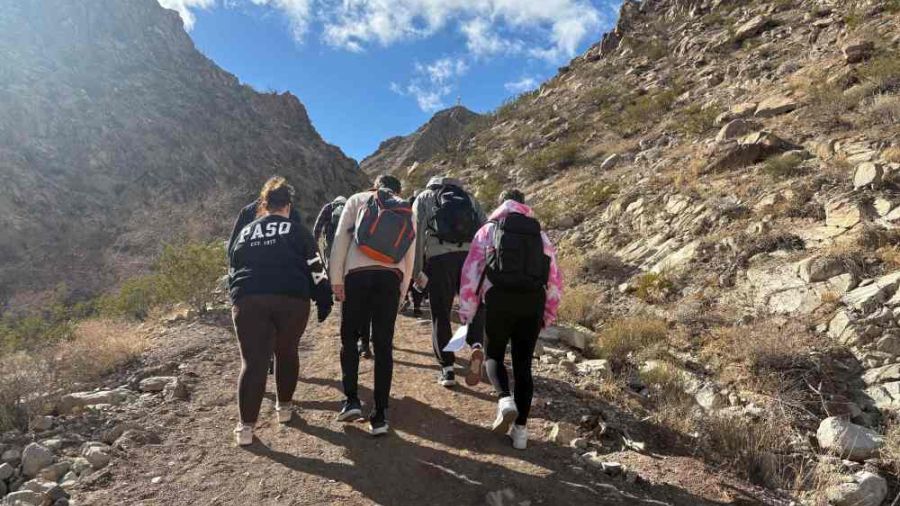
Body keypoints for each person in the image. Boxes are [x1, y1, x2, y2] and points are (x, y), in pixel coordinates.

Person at [229, 177, 334, 446]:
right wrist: (324, 300)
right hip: (292, 299)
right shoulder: (297, 230)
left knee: (252, 363)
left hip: (249, 298)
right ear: (288, 205)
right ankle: (284, 409)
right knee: (287, 353)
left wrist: (236, 298)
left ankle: (245, 429)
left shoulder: (246, 230)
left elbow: (233, 267)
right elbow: (315, 267)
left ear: (264, 204)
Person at [458, 189, 563, 450]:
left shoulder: (488, 231)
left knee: (493, 354)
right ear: (524, 206)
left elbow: (471, 272)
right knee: (523, 365)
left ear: (500, 204)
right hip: (532, 302)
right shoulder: (539, 234)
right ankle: (521, 433)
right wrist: (549, 312)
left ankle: (504, 400)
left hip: (498, 300)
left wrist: (467, 311)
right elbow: (554, 277)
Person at [329, 174, 416, 436]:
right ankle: (379, 415)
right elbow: (410, 252)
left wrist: (336, 279)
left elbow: (340, 239)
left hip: (356, 276)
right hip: (390, 278)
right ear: (397, 189)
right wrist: (403, 290)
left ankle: (352, 400)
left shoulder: (357, 199)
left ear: (376, 187)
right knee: (383, 344)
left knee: (350, 338)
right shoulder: (405, 208)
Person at [412, 176, 487, 388]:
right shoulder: (469, 198)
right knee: (474, 307)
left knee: (441, 314)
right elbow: (485, 229)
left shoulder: (425, 197)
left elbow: (416, 236)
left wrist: (417, 270)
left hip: (440, 260)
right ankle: (476, 344)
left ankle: (447, 369)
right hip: (470, 259)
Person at [314, 196, 373, 359]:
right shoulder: (353, 206)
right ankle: (365, 344)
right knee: (362, 301)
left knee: (345, 300)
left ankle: (348, 344)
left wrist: (315, 251)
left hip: (332, 254)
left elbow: (316, 230)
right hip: (352, 256)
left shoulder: (328, 208)